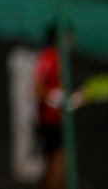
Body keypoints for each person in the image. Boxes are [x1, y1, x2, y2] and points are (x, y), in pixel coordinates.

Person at [33, 23, 74, 189]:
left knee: (57, 163)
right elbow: (37, 87)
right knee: (57, 161)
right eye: (68, 36)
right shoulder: (50, 56)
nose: (72, 40)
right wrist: (54, 97)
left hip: (58, 119)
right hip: (50, 120)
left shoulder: (60, 58)